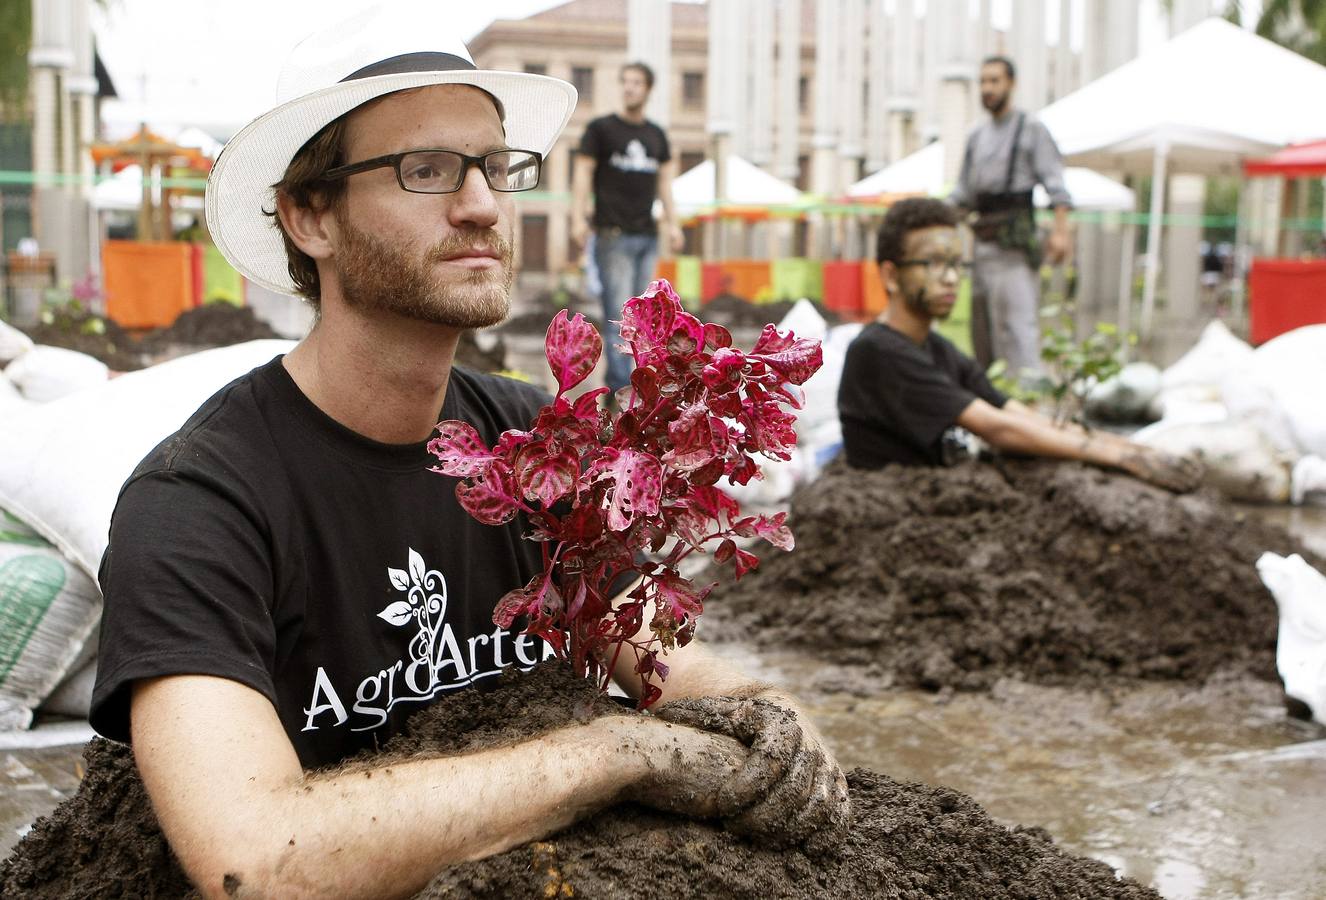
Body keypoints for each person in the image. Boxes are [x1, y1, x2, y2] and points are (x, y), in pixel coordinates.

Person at [87, 10, 846, 898]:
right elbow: (252, 862)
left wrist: (766, 711)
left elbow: (658, 652)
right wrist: (616, 750)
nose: (483, 204)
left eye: (495, 166)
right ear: (309, 216)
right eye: (426, 169)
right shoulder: (200, 504)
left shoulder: (539, 448)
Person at [837, 197, 1202, 492]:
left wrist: (1125, 447)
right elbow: (998, 429)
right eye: (932, 264)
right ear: (890, 275)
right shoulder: (878, 352)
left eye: (956, 264)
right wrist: (1118, 459)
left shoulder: (934, 347)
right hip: (890, 520)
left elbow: (1016, 413)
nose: (951, 279)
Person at [950, 55, 1073, 382]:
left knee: (1018, 332)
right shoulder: (976, 135)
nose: (988, 88)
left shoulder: (1030, 128)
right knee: (983, 337)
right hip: (981, 251)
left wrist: (1061, 233)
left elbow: (1057, 187)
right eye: (983, 81)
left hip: (1015, 251)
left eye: (995, 81)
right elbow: (963, 193)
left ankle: (1029, 406)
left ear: (1011, 84)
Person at [571, 61, 684, 394]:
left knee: (645, 321)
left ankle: (640, 383)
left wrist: (673, 225)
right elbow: (582, 174)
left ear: (648, 89)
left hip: (647, 236)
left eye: (637, 82)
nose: (630, 88)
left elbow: (666, 185)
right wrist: (578, 217)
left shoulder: (656, 136)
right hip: (613, 235)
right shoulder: (601, 130)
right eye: (626, 82)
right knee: (620, 318)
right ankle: (622, 390)